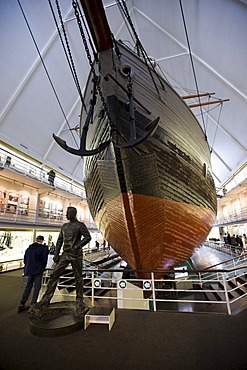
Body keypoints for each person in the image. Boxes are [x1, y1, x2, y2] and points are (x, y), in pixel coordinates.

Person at [35, 206, 91, 313]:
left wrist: (77, 246)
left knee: (78, 277)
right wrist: (56, 253)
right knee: (54, 274)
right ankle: (46, 299)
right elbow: (59, 240)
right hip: (65, 254)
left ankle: (79, 300)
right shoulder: (64, 226)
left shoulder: (80, 225)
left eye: (68, 212)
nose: (66, 214)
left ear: (73, 213)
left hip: (76, 254)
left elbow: (87, 237)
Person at [17, 235, 48, 313]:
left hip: (29, 270)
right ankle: (33, 304)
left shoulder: (29, 248)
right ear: (42, 241)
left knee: (28, 286)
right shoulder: (43, 249)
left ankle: (22, 303)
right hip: (38, 270)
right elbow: (44, 260)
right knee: (37, 287)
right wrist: (42, 268)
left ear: (36, 240)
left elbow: (25, 259)